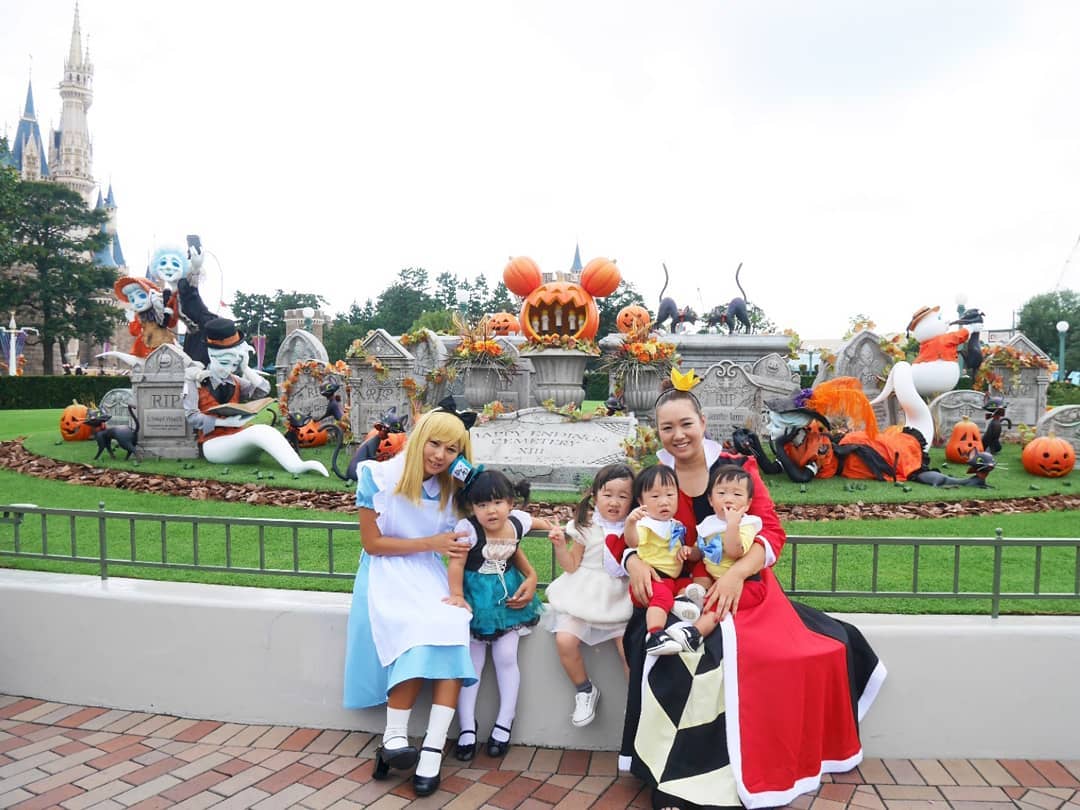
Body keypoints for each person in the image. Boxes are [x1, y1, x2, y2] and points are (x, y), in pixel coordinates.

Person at [614, 373, 887, 810]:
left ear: (702, 422)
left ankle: (723, 771)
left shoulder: (737, 468)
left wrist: (736, 574)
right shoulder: (654, 477)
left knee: (738, 655)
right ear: (657, 432)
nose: (678, 435)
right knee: (676, 655)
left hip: (744, 585)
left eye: (686, 424)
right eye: (667, 427)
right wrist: (633, 562)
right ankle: (671, 771)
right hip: (676, 590)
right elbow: (622, 531)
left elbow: (772, 532)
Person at [342, 404, 478, 797]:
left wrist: (471, 476)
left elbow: (492, 507)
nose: (440, 455)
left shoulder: (452, 490)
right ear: (418, 439)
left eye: (452, 450)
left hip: (428, 575)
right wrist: (431, 542)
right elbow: (372, 544)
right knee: (415, 629)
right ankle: (395, 736)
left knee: (453, 622)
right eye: (434, 444)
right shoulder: (377, 476)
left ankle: (432, 749)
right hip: (384, 573)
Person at [448, 470, 553, 762]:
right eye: (482, 505)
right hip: (475, 599)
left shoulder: (517, 521)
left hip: (507, 598)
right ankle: (467, 727)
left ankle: (504, 722)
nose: (490, 511)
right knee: (473, 662)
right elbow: (456, 564)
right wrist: (457, 595)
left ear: (510, 503)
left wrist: (555, 528)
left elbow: (535, 525)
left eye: (497, 502)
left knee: (507, 657)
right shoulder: (468, 530)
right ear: (472, 507)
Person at [544, 463, 634, 728]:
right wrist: (561, 547)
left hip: (618, 598)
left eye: (623, 496)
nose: (614, 502)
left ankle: (637, 702)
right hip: (583, 593)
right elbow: (572, 565)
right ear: (595, 496)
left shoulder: (634, 528)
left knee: (629, 651)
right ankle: (584, 689)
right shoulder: (586, 527)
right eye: (608, 494)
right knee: (565, 640)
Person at [622, 465, 692, 656]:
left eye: (670, 495)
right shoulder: (646, 525)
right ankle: (655, 635)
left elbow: (675, 547)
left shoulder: (675, 525)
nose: (664, 502)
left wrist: (684, 550)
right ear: (641, 501)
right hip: (651, 580)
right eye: (655, 496)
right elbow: (633, 542)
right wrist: (630, 523)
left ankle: (681, 606)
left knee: (690, 587)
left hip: (673, 579)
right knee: (663, 597)